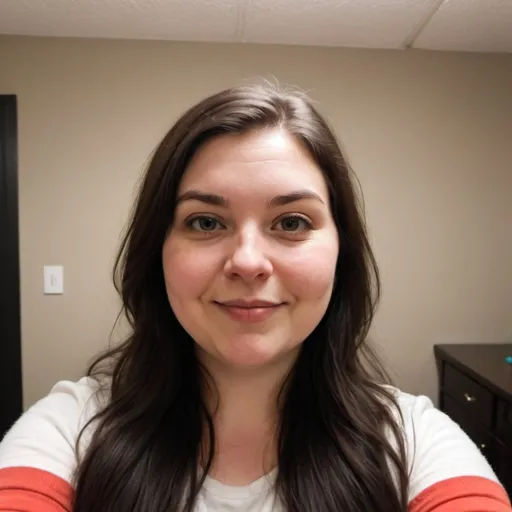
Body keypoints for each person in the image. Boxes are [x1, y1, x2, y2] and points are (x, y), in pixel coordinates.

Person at [0, 82, 509, 512]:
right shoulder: (72, 429)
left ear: (341, 252)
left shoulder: (412, 442)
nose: (247, 261)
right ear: (157, 251)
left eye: (291, 222)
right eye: (205, 221)